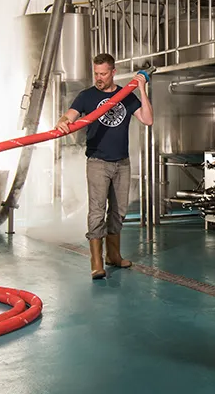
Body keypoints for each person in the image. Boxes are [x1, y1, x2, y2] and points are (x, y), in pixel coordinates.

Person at [56, 54, 153, 280]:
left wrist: (141, 89)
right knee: (97, 211)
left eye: (103, 74)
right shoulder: (87, 96)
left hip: (122, 163)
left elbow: (148, 120)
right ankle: (96, 261)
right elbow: (69, 115)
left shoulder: (126, 96)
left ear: (113, 72)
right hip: (98, 162)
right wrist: (63, 121)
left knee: (118, 212)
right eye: (96, 73)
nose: (98, 78)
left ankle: (114, 256)